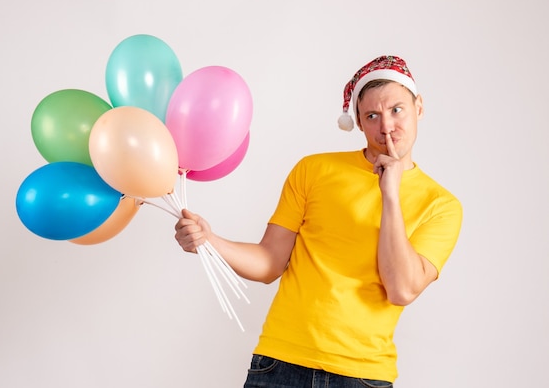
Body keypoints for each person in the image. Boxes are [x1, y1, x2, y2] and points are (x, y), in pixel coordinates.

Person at [174, 55, 463, 387]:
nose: (386, 126)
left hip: (363, 376)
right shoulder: (314, 171)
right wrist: (209, 242)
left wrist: (391, 195)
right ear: (357, 121)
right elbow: (270, 263)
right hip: (279, 364)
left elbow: (401, 288)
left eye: (397, 110)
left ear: (419, 107)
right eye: (372, 116)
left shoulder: (441, 206)